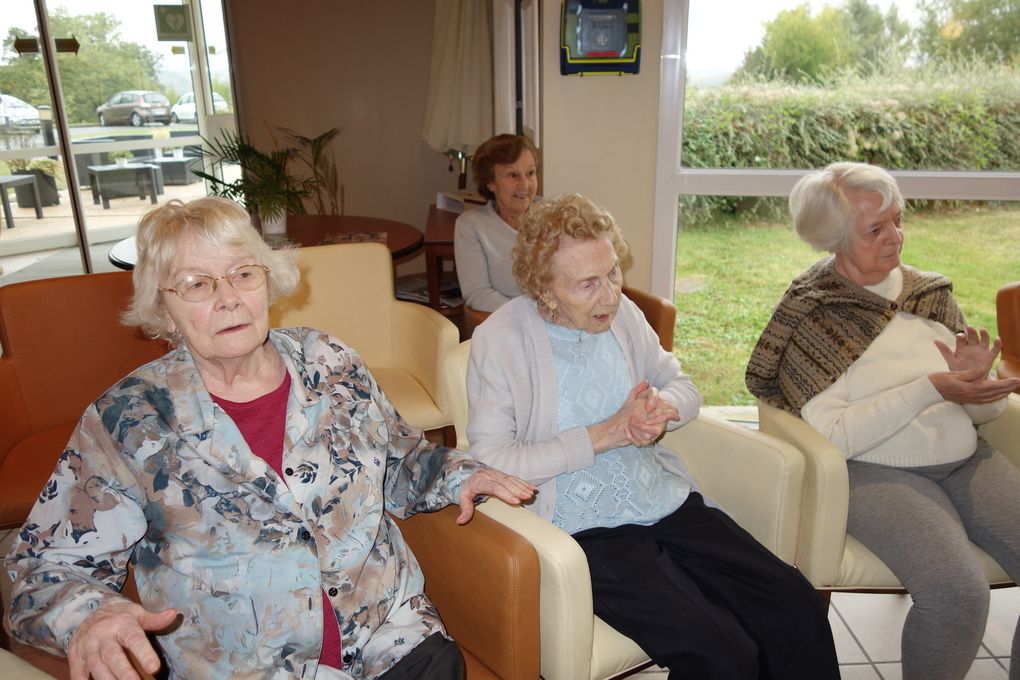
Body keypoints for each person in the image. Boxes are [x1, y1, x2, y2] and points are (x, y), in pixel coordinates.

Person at [3, 197, 535, 680]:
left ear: (268, 280)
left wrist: (464, 471)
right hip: (244, 667)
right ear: (163, 309)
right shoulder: (130, 418)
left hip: (391, 640)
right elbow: (39, 568)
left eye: (242, 273)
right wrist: (89, 615)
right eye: (196, 284)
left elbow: (400, 459)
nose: (228, 299)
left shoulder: (330, 362)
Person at [466, 192, 839, 679]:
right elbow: (492, 457)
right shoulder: (501, 340)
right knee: (720, 650)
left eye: (613, 272)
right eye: (586, 284)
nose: (610, 295)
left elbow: (682, 386)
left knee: (796, 606)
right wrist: (603, 435)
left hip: (661, 500)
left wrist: (658, 413)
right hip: (581, 528)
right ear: (545, 289)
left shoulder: (623, 317)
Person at [746, 162, 1020, 680]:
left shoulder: (929, 294)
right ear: (834, 240)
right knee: (957, 593)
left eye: (898, 220)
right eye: (876, 229)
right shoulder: (815, 316)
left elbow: (981, 413)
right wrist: (930, 388)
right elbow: (832, 437)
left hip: (966, 458)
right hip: (874, 473)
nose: (895, 237)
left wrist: (978, 389)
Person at [453, 133, 537, 312]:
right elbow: (478, 293)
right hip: (509, 325)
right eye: (513, 175)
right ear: (490, 182)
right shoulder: (471, 226)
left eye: (530, 173)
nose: (525, 184)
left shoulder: (553, 216)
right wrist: (531, 318)